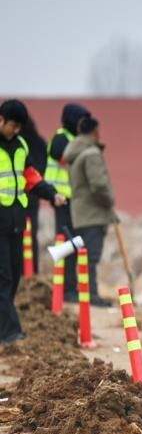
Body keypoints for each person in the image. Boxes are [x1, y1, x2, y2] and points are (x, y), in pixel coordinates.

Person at [0, 100, 63, 343]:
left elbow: (30, 177)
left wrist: (51, 193)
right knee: (3, 278)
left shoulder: (21, 145)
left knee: (14, 276)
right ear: (2, 120)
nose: (15, 131)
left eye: (19, 127)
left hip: (16, 223)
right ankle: (11, 333)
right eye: (12, 126)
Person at [63, 116, 116, 308]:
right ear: (94, 131)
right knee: (92, 257)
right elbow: (99, 185)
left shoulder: (75, 153)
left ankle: (86, 292)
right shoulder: (91, 154)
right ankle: (92, 295)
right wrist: (109, 201)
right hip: (94, 213)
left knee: (85, 256)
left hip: (80, 213)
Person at [46, 103, 90, 301]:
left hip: (75, 201)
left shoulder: (76, 139)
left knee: (76, 244)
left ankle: (72, 287)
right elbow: (63, 157)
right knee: (67, 243)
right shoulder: (60, 138)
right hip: (62, 199)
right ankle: (65, 289)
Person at [20, 115, 49, 268]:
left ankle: (23, 273)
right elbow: (42, 169)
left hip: (18, 196)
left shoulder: (17, 144)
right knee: (31, 234)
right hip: (33, 194)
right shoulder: (40, 143)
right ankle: (32, 270)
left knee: (16, 236)